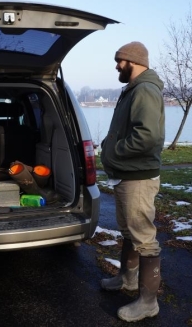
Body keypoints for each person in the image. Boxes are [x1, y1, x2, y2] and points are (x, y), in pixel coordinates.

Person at [100, 41, 165, 322]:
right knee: (129, 231)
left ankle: (148, 303)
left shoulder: (145, 90)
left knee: (144, 239)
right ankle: (127, 280)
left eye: (119, 61)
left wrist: (113, 150)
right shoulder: (133, 90)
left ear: (132, 61)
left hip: (138, 178)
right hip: (127, 176)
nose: (117, 66)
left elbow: (147, 137)